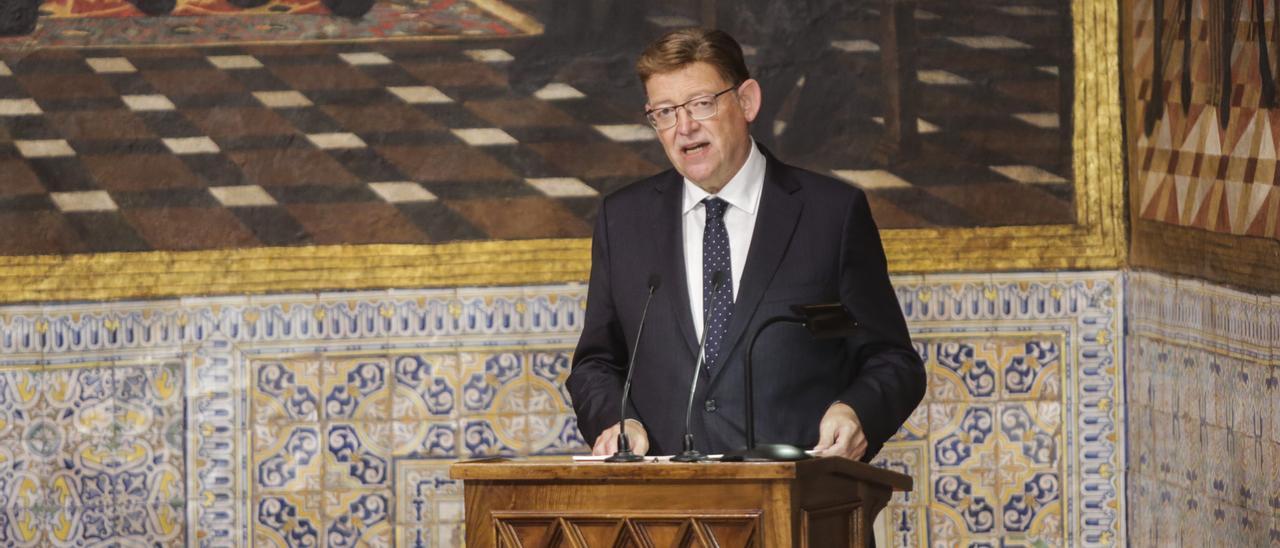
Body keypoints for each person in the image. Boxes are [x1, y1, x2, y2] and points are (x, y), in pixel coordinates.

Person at [566, 28, 925, 462]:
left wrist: (855, 412)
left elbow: (890, 360)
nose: (684, 127)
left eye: (701, 104)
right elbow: (595, 365)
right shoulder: (623, 221)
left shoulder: (831, 214)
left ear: (747, 101)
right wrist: (618, 423)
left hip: (799, 507)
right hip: (664, 513)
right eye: (664, 112)